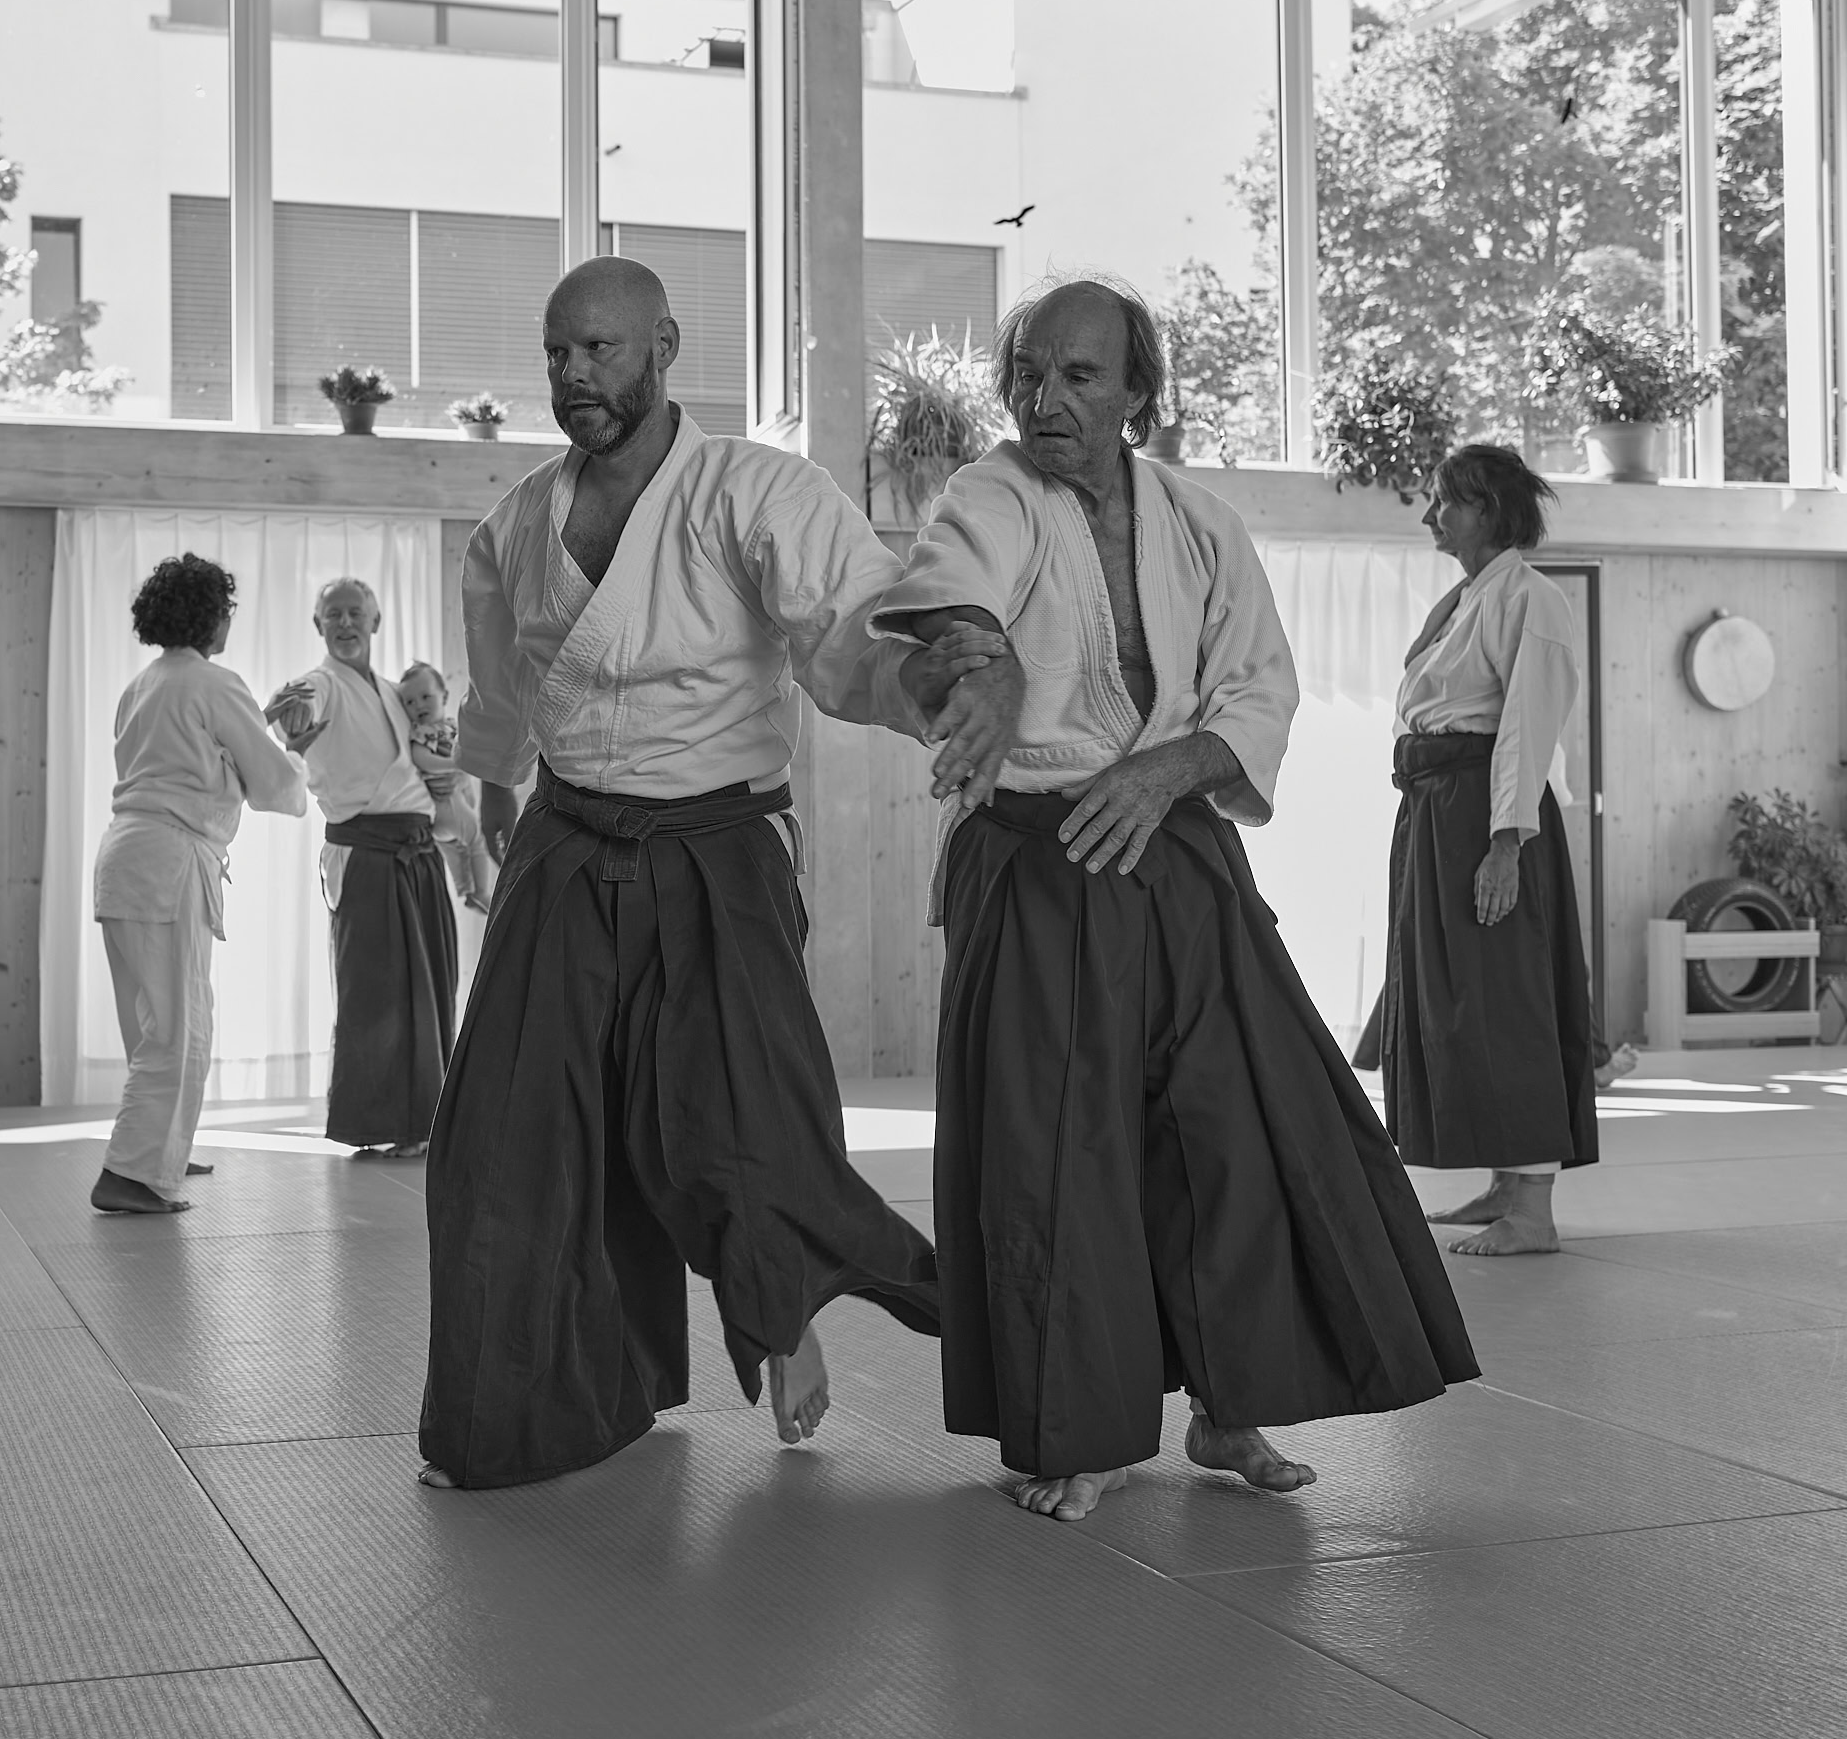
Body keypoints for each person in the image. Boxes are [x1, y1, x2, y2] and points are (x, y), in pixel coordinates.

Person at [870, 278, 1480, 1522]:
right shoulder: (988, 495)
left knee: (1234, 1132)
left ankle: (1226, 1402)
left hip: (1177, 853)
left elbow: (1258, 686)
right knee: (1058, 1154)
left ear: (1136, 392)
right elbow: (952, 590)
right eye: (1027, 374)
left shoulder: (1197, 523)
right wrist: (981, 664)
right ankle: (1083, 1430)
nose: (1043, 399)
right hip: (1038, 857)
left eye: (1077, 376)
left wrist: (1167, 768)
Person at [417, 256, 1004, 1489]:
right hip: (566, 838)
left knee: (740, 1130)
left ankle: (792, 1317)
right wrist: (486, 808)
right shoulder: (514, 524)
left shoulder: (754, 490)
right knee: (502, 1132)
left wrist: (927, 678)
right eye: (557, 352)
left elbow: (852, 638)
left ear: (665, 346)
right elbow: (501, 691)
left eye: (600, 348)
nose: (575, 373)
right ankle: (529, 1412)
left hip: (715, 842)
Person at [1380, 443, 1600, 1256]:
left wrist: (1505, 842)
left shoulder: (1532, 599)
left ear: (1488, 510)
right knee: (1461, 1000)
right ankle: (1507, 1182)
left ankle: (1534, 1210)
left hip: (1487, 816)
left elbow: (1527, 728)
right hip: (1441, 814)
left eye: (1444, 500)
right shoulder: (1468, 597)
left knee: (1506, 998)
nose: (1430, 515)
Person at [90, 553, 308, 1213]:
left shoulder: (143, 685)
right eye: (226, 611)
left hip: (124, 857)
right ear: (211, 615)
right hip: (169, 863)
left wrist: (257, 722)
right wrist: (294, 751)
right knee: (179, 1027)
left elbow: (183, 759)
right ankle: (130, 1175)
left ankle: (160, 1150)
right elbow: (272, 785)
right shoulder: (214, 683)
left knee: (148, 1023)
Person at [266, 580, 459, 1158]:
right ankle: (379, 1121)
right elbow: (298, 706)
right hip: (368, 854)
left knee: (431, 986)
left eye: (355, 613)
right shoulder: (322, 684)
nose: (345, 623)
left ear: (375, 622)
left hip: (418, 851)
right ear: (318, 625)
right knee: (375, 993)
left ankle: (425, 1121)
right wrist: (291, 716)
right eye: (333, 615)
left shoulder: (395, 692)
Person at [397, 661, 497, 913]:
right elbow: (421, 758)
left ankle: (466, 890)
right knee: (476, 839)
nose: (418, 705)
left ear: (444, 696)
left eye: (425, 697)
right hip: (445, 805)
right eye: (409, 702)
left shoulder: (450, 727)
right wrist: (454, 764)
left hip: (451, 810)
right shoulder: (423, 732)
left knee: (456, 851)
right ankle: (482, 891)